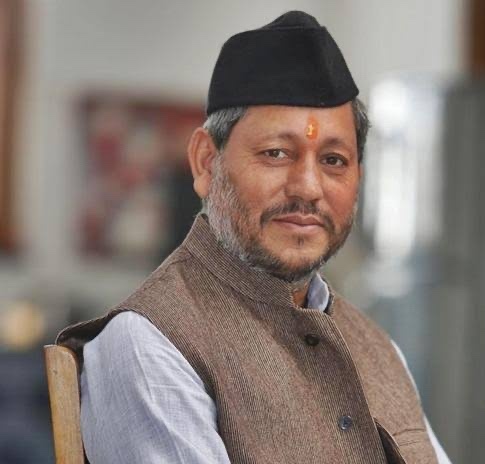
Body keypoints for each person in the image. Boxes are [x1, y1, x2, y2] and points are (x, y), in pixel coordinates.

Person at [58, 11, 451, 464]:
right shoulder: (149, 344)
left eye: (334, 160)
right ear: (206, 162)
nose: (308, 188)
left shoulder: (380, 350)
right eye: (276, 153)